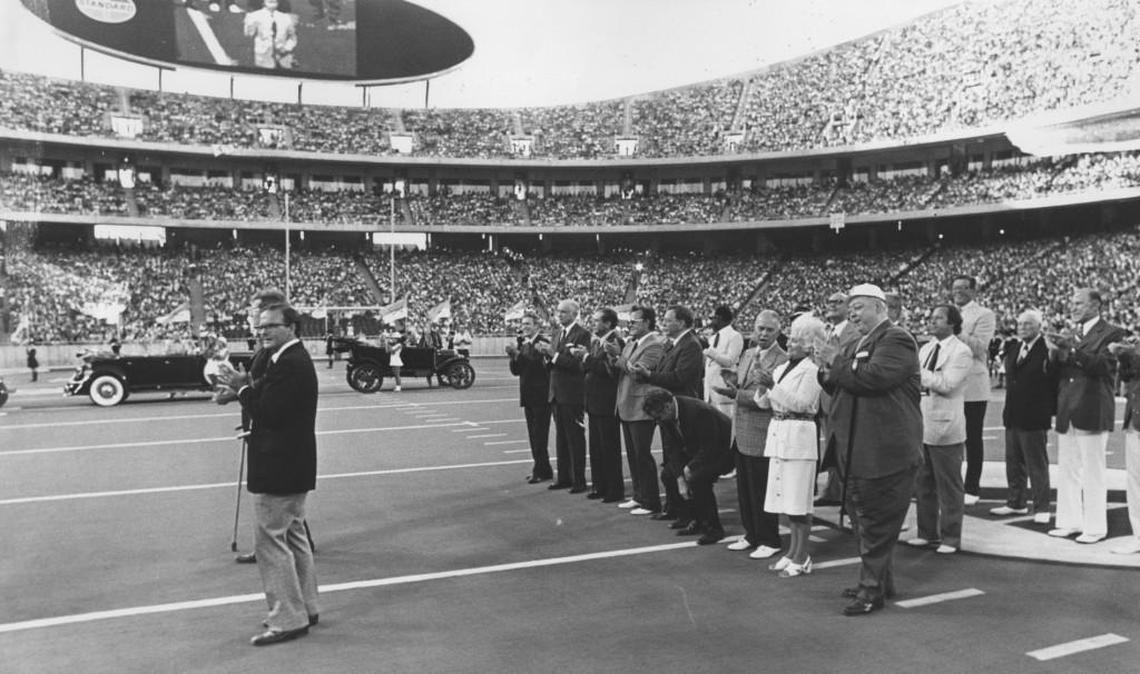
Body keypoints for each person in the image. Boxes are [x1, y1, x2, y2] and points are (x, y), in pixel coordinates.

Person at [816, 283, 922, 616]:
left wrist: (836, 361)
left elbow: (873, 379)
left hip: (883, 450)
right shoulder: (858, 342)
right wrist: (825, 369)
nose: (852, 313)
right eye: (850, 307)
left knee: (875, 522)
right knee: (866, 521)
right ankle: (880, 582)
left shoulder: (897, 339)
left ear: (880, 307)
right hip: (859, 447)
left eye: (858, 307)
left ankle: (871, 591)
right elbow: (841, 382)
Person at [217, 301, 319, 646]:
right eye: (259, 328)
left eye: (270, 326)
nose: (262, 333)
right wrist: (245, 388)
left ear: (291, 326)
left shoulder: (290, 363)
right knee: (294, 537)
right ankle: (306, 607)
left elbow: (270, 413)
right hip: (292, 464)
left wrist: (242, 388)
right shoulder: (287, 359)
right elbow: (273, 403)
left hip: (281, 466)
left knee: (270, 543)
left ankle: (288, 618)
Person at [1045, 288, 1128, 544]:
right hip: (1068, 406)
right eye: (1072, 302)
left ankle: (1095, 527)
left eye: (1078, 303)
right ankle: (1069, 522)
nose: (1073, 307)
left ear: (1095, 306)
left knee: (1093, 470)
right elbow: (1055, 373)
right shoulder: (1072, 333)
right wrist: (1055, 354)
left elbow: (1104, 368)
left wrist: (1072, 350)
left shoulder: (1113, 333)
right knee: (1068, 468)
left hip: (1092, 406)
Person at [712, 310, 787, 560]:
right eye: (760, 328)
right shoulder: (747, 353)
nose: (763, 334)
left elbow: (766, 399)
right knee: (744, 488)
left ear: (778, 332)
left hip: (761, 432)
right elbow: (746, 385)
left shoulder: (782, 360)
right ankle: (751, 534)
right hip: (741, 430)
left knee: (761, 490)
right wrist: (733, 381)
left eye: (769, 330)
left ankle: (769, 538)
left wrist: (736, 394)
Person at [757, 314, 825, 576]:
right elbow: (765, 403)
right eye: (792, 338)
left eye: (797, 340)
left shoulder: (812, 370)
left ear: (809, 345)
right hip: (779, 433)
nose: (791, 343)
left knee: (799, 502)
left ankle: (802, 555)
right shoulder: (781, 367)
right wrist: (763, 387)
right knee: (786, 501)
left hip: (799, 435)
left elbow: (802, 404)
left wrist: (772, 385)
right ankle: (792, 552)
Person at [908, 304, 973, 554]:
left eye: (939, 318)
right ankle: (927, 532)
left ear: (953, 323)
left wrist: (917, 372)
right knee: (923, 483)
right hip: (922, 422)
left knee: (949, 486)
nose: (932, 321)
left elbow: (947, 384)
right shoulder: (925, 349)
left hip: (946, 425)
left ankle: (951, 537)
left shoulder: (961, 351)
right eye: (931, 317)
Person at [630, 305, 703, 522]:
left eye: (668, 319)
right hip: (669, 409)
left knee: (680, 459)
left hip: (682, 408)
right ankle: (675, 508)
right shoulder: (674, 344)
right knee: (672, 460)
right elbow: (666, 374)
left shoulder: (690, 345)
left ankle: (689, 512)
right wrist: (650, 375)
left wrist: (649, 374)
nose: (663, 322)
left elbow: (680, 378)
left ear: (681, 322)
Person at [642, 389, 733, 545]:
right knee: (668, 475)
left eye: (659, 417)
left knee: (698, 479)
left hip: (724, 451)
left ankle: (713, 528)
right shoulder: (665, 416)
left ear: (668, 406)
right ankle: (690, 518)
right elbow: (672, 448)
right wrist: (679, 477)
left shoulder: (699, 412)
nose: (658, 421)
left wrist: (689, 468)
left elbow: (710, 446)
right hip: (697, 449)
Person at [990, 310, 1056, 524]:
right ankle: (1016, 502)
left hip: (1035, 414)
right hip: (1013, 412)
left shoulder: (1047, 349)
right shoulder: (1015, 347)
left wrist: (1049, 410)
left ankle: (1042, 506)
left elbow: (1053, 382)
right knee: (1013, 462)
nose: (1023, 327)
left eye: (1028, 324)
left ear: (1039, 327)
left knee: (1036, 464)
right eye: (1020, 324)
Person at [609, 306, 665, 515]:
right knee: (633, 455)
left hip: (641, 406)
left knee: (642, 454)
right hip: (626, 402)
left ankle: (651, 501)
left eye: (635, 321)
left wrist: (618, 357)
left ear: (648, 322)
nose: (630, 325)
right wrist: (613, 357)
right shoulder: (632, 342)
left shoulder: (654, 345)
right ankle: (639, 495)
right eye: (630, 321)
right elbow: (622, 367)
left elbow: (638, 373)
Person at [536, 300, 591, 493]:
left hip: (572, 393)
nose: (560, 315)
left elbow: (579, 365)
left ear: (575, 314)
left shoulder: (583, 334)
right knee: (561, 438)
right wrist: (546, 356)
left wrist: (553, 354)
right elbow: (553, 363)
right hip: (557, 392)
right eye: (559, 311)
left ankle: (579, 480)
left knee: (574, 438)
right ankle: (564, 477)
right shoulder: (558, 333)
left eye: (564, 312)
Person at [951, 275, 996, 507]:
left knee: (973, 437)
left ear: (973, 291)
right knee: (950, 437)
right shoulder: (945, 311)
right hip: (948, 383)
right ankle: (951, 484)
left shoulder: (984, 314)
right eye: (955, 288)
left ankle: (972, 486)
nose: (958, 292)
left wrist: (954, 329)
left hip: (972, 384)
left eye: (963, 288)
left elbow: (980, 348)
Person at [817, 291, 862, 505]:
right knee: (831, 446)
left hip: (843, 395)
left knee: (844, 446)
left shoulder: (854, 332)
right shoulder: (828, 331)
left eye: (839, 302)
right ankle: (834, 490)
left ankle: (847, 494)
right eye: (830, 301)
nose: (833, 304)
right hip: (826, 395)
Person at [577, 308, 625, 502]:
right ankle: (600, 485)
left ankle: (613, 489)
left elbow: (608, 371)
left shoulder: (615, 342)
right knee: (596, 447)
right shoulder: (597, 342)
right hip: (595, 400)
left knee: (609, 448)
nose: (593, 324)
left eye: (597, 321)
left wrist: (586, 358)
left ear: (608, 323)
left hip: (607, 402)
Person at [506, 313, 553, 484]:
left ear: (537, 326)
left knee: (539, 435)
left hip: (540, 396)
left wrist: (518, 354)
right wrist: (513, 357)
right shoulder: (525, 344)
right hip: (529, 395)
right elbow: (518, 370)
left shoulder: (542, 343)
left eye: (527, 324)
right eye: (522, 323)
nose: (524, 326)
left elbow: (536, 367)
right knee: (534, 435)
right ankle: (542, 467)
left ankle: (540, 469)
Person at [1110, 339, 1140, 554]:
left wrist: (1127, 355)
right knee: (1135, 481)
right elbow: (1126, 381)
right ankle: (1138, 535)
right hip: (1135, 419)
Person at [702, 305, 744, 416]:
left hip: (724, 392)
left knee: (726, 426)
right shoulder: (713, 337)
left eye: (713, 319)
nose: (711, 322)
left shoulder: (735, 336)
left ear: (719, 318)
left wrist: (709, 351)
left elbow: (729, 361)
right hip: (709, 392)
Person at [243, 0, 298, 69]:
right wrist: (249, 23)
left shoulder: (286, 18)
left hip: (283, 58)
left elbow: (293, 38)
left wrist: (286, 48)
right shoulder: (254, 16)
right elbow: (248, 35)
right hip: (263, 58)